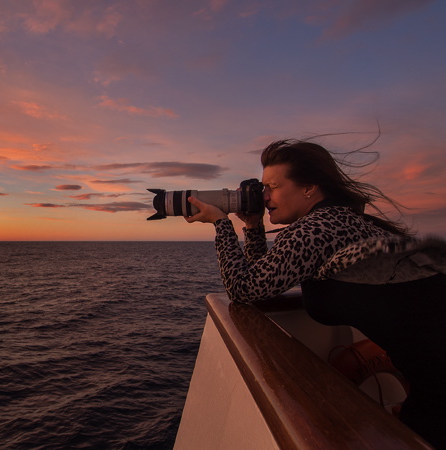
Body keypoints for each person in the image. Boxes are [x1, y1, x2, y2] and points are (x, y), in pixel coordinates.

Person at [185, 139, 446, 448]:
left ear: (309, 187)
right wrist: (252, 226)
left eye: (273, 187)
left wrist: (220, 223)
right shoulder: (339, 220)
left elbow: (242, 290)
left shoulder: (313, 230)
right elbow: (262, 281)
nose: (263, 196)